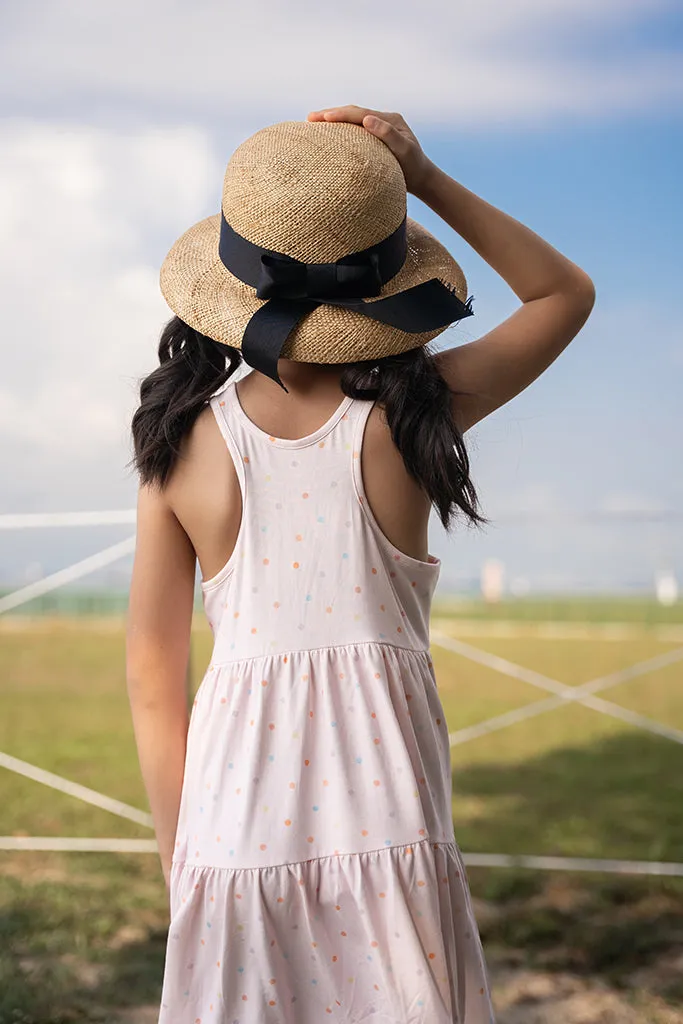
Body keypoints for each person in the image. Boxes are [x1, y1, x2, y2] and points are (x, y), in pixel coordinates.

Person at [126, 104, 595, 1024]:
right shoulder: (416, 412)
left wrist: (184, 860)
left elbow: (152, 676)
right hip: (392, 823)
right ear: (385, 280)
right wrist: (423, 175)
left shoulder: (179, 445)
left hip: (231, 832)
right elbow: (562, 296)